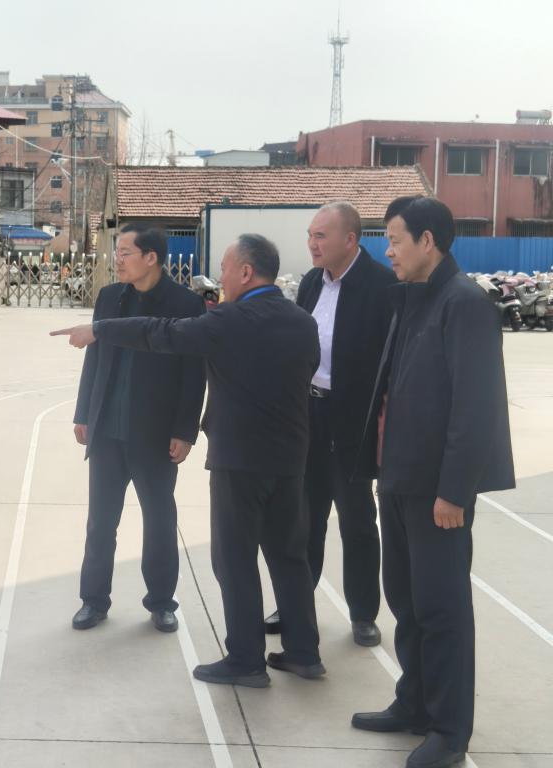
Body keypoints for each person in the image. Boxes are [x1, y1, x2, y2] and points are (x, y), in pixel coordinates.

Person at [53, 233, 324, 687]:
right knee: (289, 556)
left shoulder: (227, 320)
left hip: (240, 458)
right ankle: (304, 653)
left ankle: (246, 661)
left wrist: (99, 330)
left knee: (235, 561)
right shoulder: (302, 322)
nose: (220, 276)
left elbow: (161, 334)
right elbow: (308, 371)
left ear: (245, 272)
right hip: (291, 457)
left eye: (225, 268)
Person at [352, 197, 514, 768]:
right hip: (399, 479)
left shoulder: (464, 304)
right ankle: (414, 702)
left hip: (437, 493)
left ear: (428, 241)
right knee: (406, 600)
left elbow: (476, 407)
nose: (388, 251)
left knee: (442, 610)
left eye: (395, 240)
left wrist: (454, 491)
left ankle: (449, 729)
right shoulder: (414, 298)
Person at [60, 223, 205, 634]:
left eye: (125, 252)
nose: (117, 260)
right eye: (117, 252)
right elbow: (94, 358)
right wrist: (84, 413)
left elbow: (194, 373)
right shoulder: (110, 297)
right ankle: (93, 600)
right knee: (100, 522)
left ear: (151, 258)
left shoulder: (185, 304)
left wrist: (185, 431)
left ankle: (161, 602)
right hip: (107, 429)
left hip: (155, 434)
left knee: (159, 521)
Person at [264, 202, 397, 647]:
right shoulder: (310, 282)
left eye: (320, 236)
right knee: (303, 519)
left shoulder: (381, 286)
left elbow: (390, 363)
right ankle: (295, 605)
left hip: (352, 421)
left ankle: (363, 613)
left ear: (350, 240)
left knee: (356, 520)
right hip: (308, 415)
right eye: (310, 235)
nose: (312, 244)